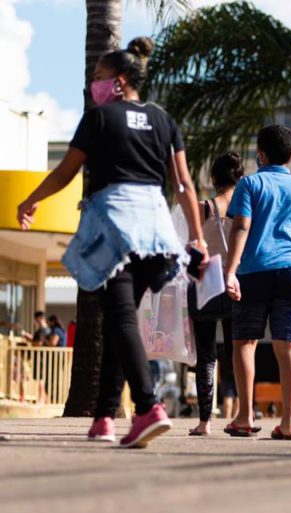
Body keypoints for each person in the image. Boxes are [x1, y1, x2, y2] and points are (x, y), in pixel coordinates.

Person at [16, 37, 208, 448]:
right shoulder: (163, 120)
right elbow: (185, 184)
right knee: (121, 319)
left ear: (118, 82)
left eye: (98, 78)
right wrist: (196, 239)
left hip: (116, 225)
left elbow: (65, 173)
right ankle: (104, 417)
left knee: (119, 317)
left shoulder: (99, 119)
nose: (93, 86)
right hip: (155, 231)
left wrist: (31, 200)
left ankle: (147, 406)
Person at [224, 125, 291, 441]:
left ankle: (243, 416)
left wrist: (230, 269)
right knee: (289, 346)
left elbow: (240, 227)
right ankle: (290, 422)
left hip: (253, 271)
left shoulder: (250, 184)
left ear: (260, 154)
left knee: (244, 342)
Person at [188, 152, 244, 436]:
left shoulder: (204, 207)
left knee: (206, 356)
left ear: (213, 178)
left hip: (205, 286)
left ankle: (204, 422)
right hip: (237, 284)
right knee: (240, 353)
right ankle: (244, 415)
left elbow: (191, 247)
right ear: (240, 177)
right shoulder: (247, 207)